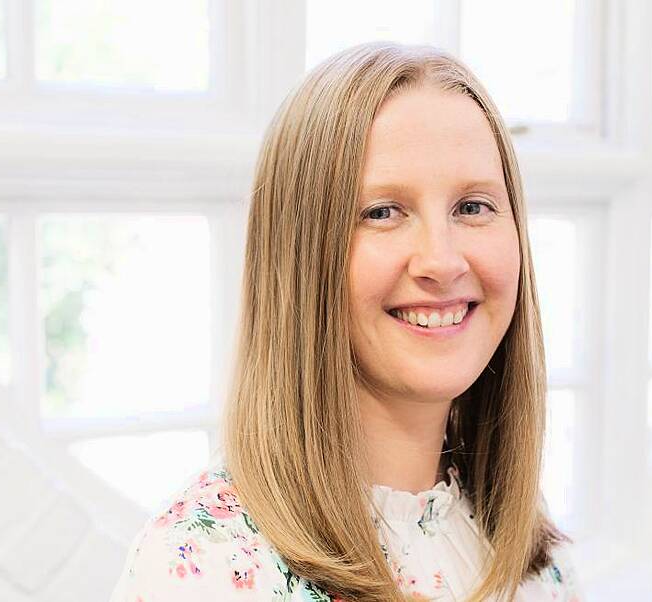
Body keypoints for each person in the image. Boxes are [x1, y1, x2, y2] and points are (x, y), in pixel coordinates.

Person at [109, 41, 584, 602]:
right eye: (383, 212)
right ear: (299, 257)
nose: (442, 260)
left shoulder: (523, 543)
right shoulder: (204, 568)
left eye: (472, 207)